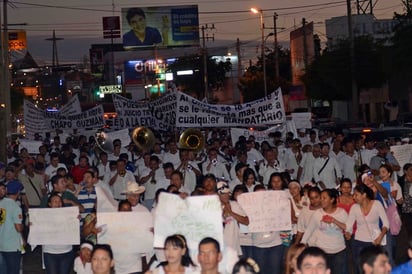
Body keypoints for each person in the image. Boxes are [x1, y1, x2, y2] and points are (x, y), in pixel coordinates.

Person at [332, 184, 389, 273]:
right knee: (360, 268)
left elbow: (386, 224)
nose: (354, 197)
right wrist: (346, 231)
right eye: (353, 195)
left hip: (374, 242)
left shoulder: (377, 204)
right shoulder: (354, 207)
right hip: (358, 242)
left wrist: (380, 237)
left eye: (356, 195)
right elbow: (348, 226)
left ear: (364, 195)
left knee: (375, 268)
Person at [300, 189, 348, 274]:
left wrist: (334, 220)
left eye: (324, 198)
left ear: (332, 200)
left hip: (339, 251)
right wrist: (302, 245)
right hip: (322, 251)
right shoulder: (317, 214)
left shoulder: (341, 212)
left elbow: (348, 228)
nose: (321, 200)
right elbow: (309, 231)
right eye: (321, 198)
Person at [42, 192, 74, 274]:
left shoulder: (69, 215)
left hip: (67, 251)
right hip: (50, 252)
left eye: (59, 201)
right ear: (49, 204)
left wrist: (75, 219)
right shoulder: (42, 216)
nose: (58, 203)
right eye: (55, 201)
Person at [0, 181, 24, 274]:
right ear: (18, 192)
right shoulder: (15, 206)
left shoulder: (2, 203)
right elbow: (18, 228)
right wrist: (23, 226)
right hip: (12, 247)